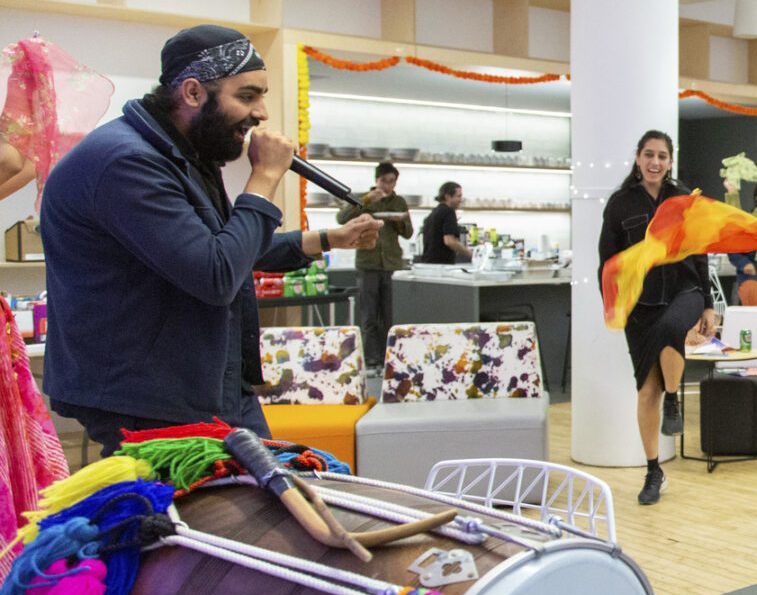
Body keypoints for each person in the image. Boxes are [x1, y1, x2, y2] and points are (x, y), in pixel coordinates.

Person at [40, 24, 380, 456]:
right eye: (248, 95)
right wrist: (264, 179)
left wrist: (329, 238)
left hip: (206, 382)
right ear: (194, 92)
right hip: (150, 395)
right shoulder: (127, 164)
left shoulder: (182, 154)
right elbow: (215, 273)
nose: (262, 114)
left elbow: (224, 249)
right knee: (202, 519)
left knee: (262, 506)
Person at [599, 130, 720, 506]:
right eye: (649, 155)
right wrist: (612, 304)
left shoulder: (683, 198)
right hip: (639, 305)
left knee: (671, 329)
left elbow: (699, 250)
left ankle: (674, 398)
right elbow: (607, 261)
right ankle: (654, 471)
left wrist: (708, 302)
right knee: (645, 391)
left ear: (671, 160)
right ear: (638, 158)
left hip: (685, 291)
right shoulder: (619, 204)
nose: (655, 162)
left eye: (662, 156)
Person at [339, 161, 413, 366]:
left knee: (390, 316)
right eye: (383, 181)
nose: (387, 186)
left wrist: (397, 220)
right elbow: (341, 218)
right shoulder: (364, 198)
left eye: (391, 182)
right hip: (368, 263)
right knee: (369, 315)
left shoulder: (399, 202)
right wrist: (366, 200)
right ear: (376, 180)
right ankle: (371, 361)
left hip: (391, 265)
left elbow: (408, 232)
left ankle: (391, 359)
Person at [417, 182, 472, 264]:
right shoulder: (448, 212)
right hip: (442, 264)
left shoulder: (434, 213)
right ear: (447, 197)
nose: (461, 200)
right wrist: (470, 254)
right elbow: (450, 241)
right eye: (458, 196)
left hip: (428, 262)